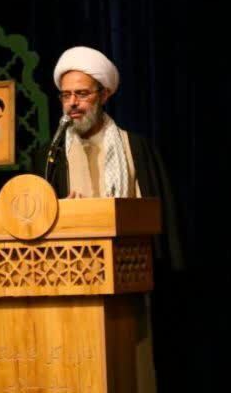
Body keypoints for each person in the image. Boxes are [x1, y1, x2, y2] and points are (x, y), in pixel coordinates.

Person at [34, 46, 185, 393]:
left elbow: (160, 218)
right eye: (66, 95)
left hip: (129, 283)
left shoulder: (136, 148)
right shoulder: (50, 156)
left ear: (104, 95)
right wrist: (59, 213)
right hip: (69, 283)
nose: (73, 103)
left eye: (82, 94)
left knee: (130, 372)